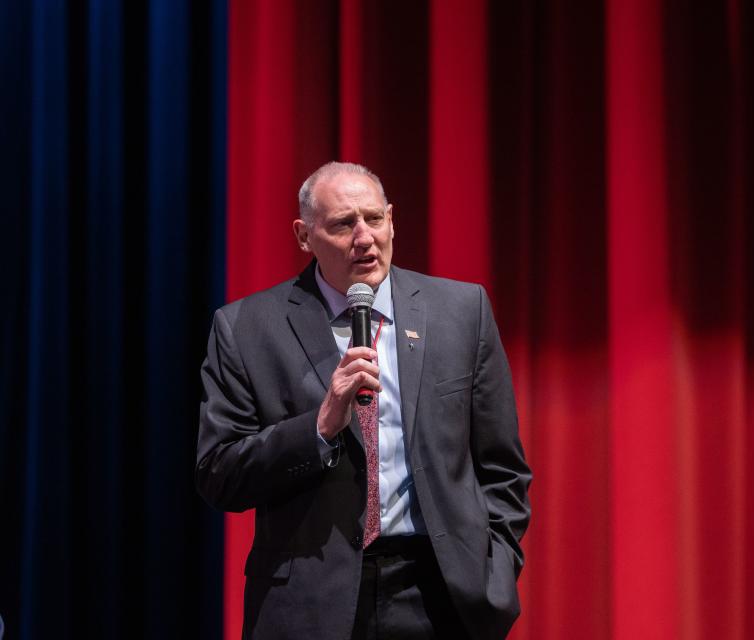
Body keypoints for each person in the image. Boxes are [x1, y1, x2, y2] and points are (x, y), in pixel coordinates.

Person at [195, 161, 531, 640]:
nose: (364, 238)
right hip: (312, 603)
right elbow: (218, 473)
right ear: (303, 236)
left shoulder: (461, 312)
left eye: (374, 219)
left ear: (392, 219)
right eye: (342, 224)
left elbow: (503, 468)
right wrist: (320, 426)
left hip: (440, 595)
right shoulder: (246, 329)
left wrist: (493, 569)